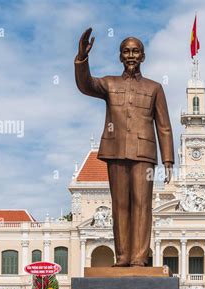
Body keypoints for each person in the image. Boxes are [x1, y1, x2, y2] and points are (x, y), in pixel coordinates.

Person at [74, 28, 174, 267]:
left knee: (142, 205)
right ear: (120, 56)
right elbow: (85, 85)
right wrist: (82, 59)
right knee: (120, 205)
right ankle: (123, 257)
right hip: (116, 150)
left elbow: (164, 126)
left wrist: (168, 160)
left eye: (135, 51)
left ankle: (139, 257)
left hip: (144, 153)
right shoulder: (109, 83)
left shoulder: (154, 88)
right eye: (126, 52)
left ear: (143, 56)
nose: (131, 56)